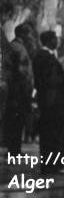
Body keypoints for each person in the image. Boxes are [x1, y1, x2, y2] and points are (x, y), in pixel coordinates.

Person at [32, 31, 64, 175]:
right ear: (49, 41)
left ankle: (51, 166)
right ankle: (50, 167)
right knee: (50, 135)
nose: (57, 41)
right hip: (51, 102)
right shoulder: (45, 57)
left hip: (50, 101)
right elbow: (52, 80)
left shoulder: (46, 57)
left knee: (51, 135)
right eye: (55, 38)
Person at [2, 23, 34, 155]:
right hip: (18, 91)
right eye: (28, 33)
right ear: (22, 34)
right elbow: (20, 72)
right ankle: (14, 150)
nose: (30, 37)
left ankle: (14, 149)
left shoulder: (15, 47)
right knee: (16, 121)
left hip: (16, 90)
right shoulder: (18, 48)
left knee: (16, 120)